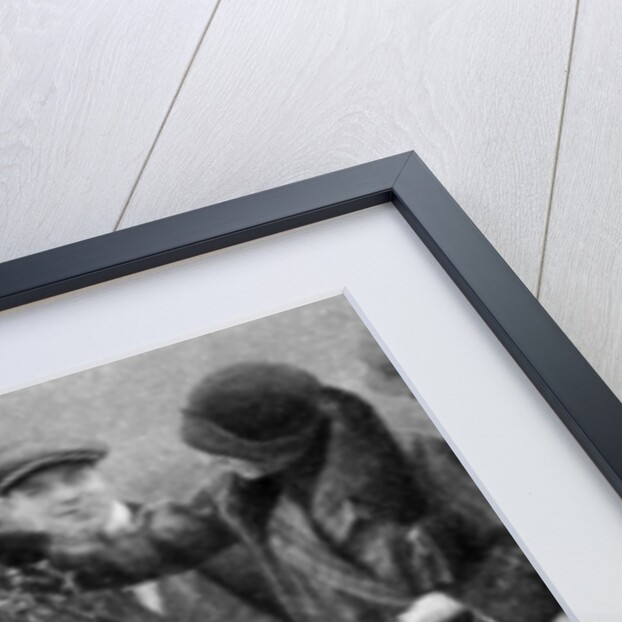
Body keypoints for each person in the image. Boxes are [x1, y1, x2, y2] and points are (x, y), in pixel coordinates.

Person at [43, 363, 563, 622]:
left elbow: (539, 545)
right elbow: (161, 543)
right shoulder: (240, 490)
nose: (206, 464)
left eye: (221, 451)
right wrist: (32, 568)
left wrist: (450, 602)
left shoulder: (417, 459)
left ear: (278, 442)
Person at [0, 439, 166, 622]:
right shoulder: (17, 580)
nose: (67, 496)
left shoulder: (173, 528)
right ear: (11, 507)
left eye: (76, 478)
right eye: (35, 492)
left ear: (103, 477)